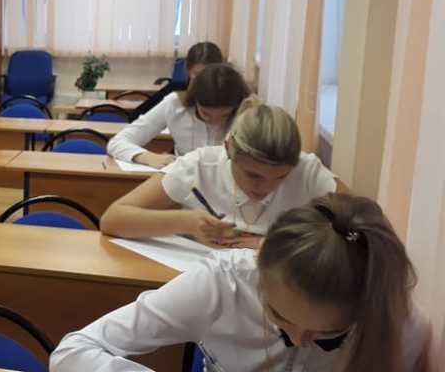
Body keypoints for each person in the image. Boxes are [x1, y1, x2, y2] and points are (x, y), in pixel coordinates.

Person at [53, 194, 431, 372]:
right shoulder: (223, 283)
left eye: (329, 334)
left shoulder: (398, 321)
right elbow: (72, 352)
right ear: (260, 270)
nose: (298, 340)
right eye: (278, 315)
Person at [100, 99, 342, 248]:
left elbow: (361, 228)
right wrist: (188, 222)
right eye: (253, 175)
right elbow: (113, 219)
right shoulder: (200, 165)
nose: (266, 187)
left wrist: (274, 245)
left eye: (281, 177)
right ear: (228, 149)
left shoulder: (307, 170)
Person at [108, 63, 252, 169]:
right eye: (205, 114)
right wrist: (148, 157)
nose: (214, 121)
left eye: (224, 115)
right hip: (183, 185)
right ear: (194, 100)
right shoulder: (175, 104)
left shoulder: (247, 114)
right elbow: (117, 142)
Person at [131, 41, 225, 120]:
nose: (204, 80)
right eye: (198, 74)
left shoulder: (227, 97)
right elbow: (136, 117)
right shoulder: (174, 92)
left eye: (210, 74)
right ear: (188, 70)